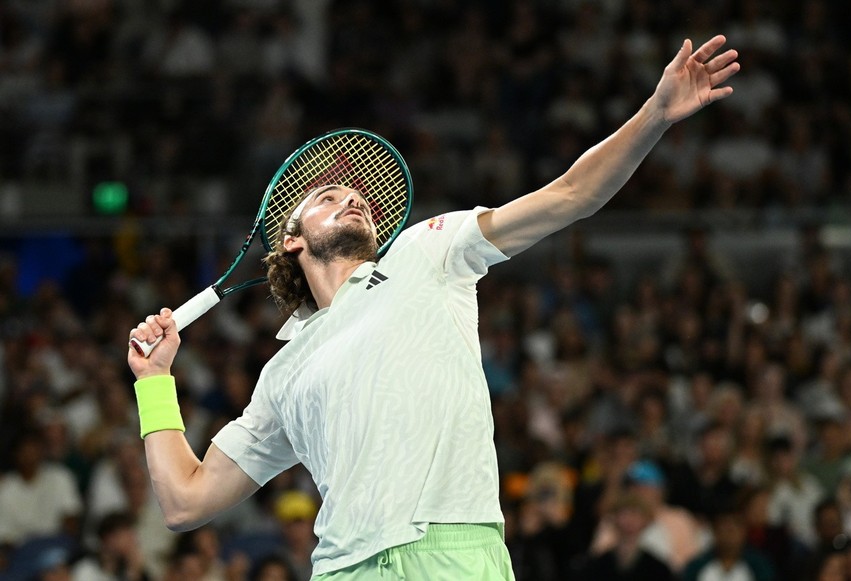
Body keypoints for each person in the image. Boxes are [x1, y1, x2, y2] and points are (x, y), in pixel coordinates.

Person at [128, 35, 740, 580]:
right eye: (327, 194)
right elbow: (185, 502)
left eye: (359, 193)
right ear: (290, 238)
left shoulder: (427, 252)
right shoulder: (283, 373)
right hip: (343, 568)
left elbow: (571, 196)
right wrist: (155, 384)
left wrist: (655, 116)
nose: (353, 198)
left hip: (454, 556)